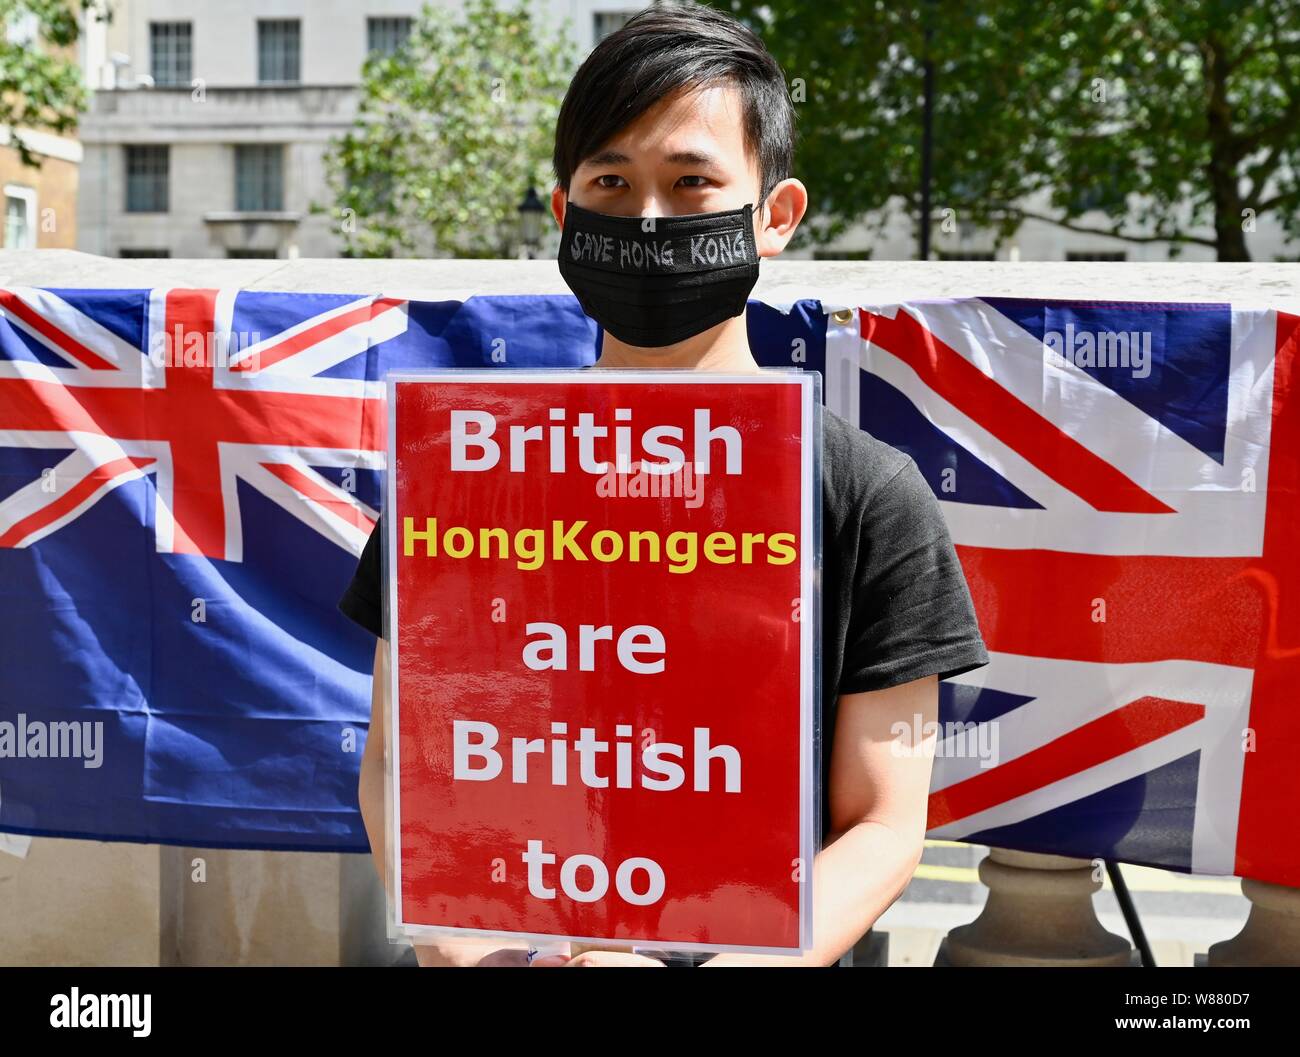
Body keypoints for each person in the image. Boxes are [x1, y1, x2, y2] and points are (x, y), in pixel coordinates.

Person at [338, 3, 988, 967]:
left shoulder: (867, 497)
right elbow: (402, 766)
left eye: (691, 183)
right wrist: (491, 957)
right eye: (611, 181)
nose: (647, 218)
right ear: (563, 215)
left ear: (776, 216)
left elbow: (884, 823)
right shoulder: (462, 479)